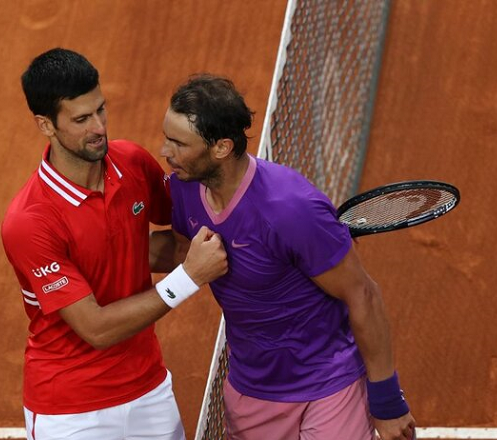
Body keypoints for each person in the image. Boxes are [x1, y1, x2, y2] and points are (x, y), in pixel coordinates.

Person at [159, 75, 417, 440]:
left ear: (220, 148)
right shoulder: (184, 189)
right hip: (252, 391)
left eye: (177, 143)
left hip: (328, 384)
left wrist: (387, 402)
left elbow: (363, 294)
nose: (164, 151)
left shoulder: (289, 209)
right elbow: (182, 248)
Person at [0, 49, 228, 440]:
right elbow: (97, 329)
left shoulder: (132, 163)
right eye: (81, 119)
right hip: (71, 411)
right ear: (45, 125)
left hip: (148, 389)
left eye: (101, 110)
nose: (99, 127)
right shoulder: (30, 221)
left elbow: (172, 240)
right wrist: (189, 276)